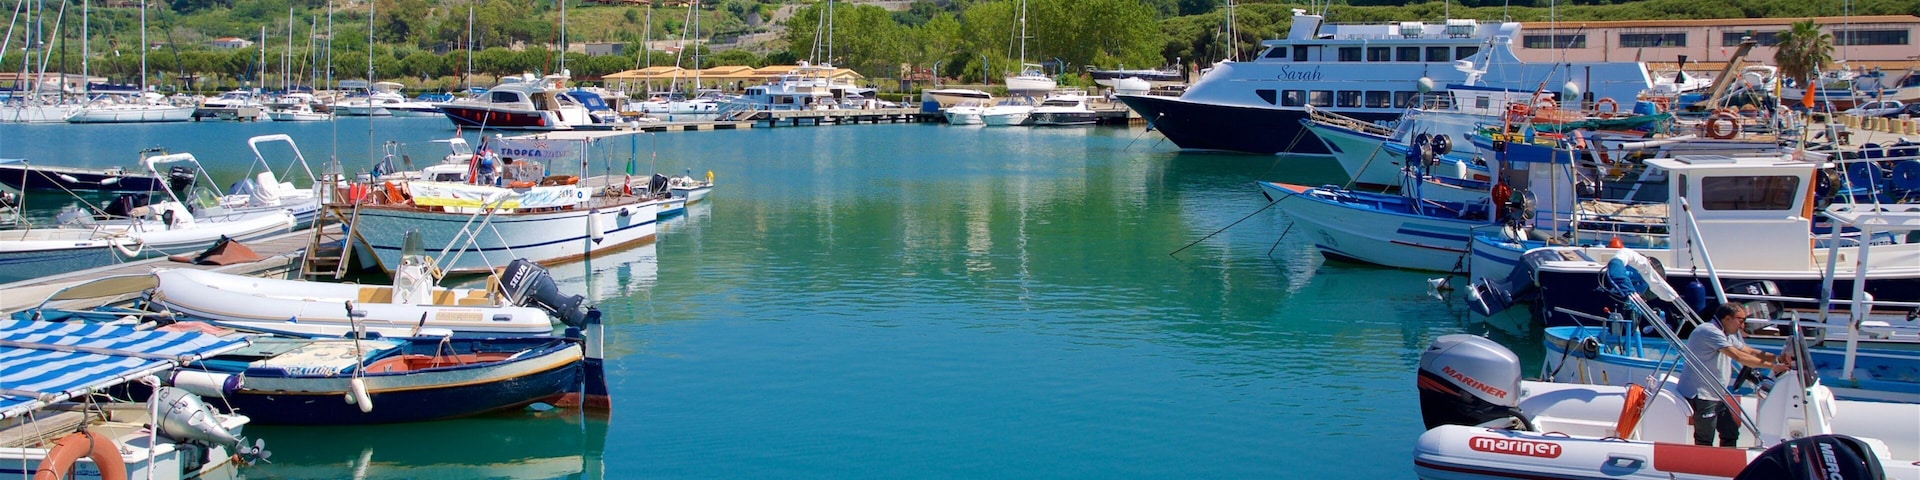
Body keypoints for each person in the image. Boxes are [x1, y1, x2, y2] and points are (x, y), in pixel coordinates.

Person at [1679, 304, 1790, 447]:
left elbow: (1748, 351)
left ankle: (1726, 458)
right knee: (1705, 439)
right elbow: (1738, 356)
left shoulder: (1725, 334)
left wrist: (1778, 358)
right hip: (1702, 395)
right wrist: (1773, 366)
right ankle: (1703, 460)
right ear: (1727, 319)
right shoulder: (1710, 331)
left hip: (1715, 394)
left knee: (1730, 432)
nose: (1742, 326)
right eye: (1741, 321)